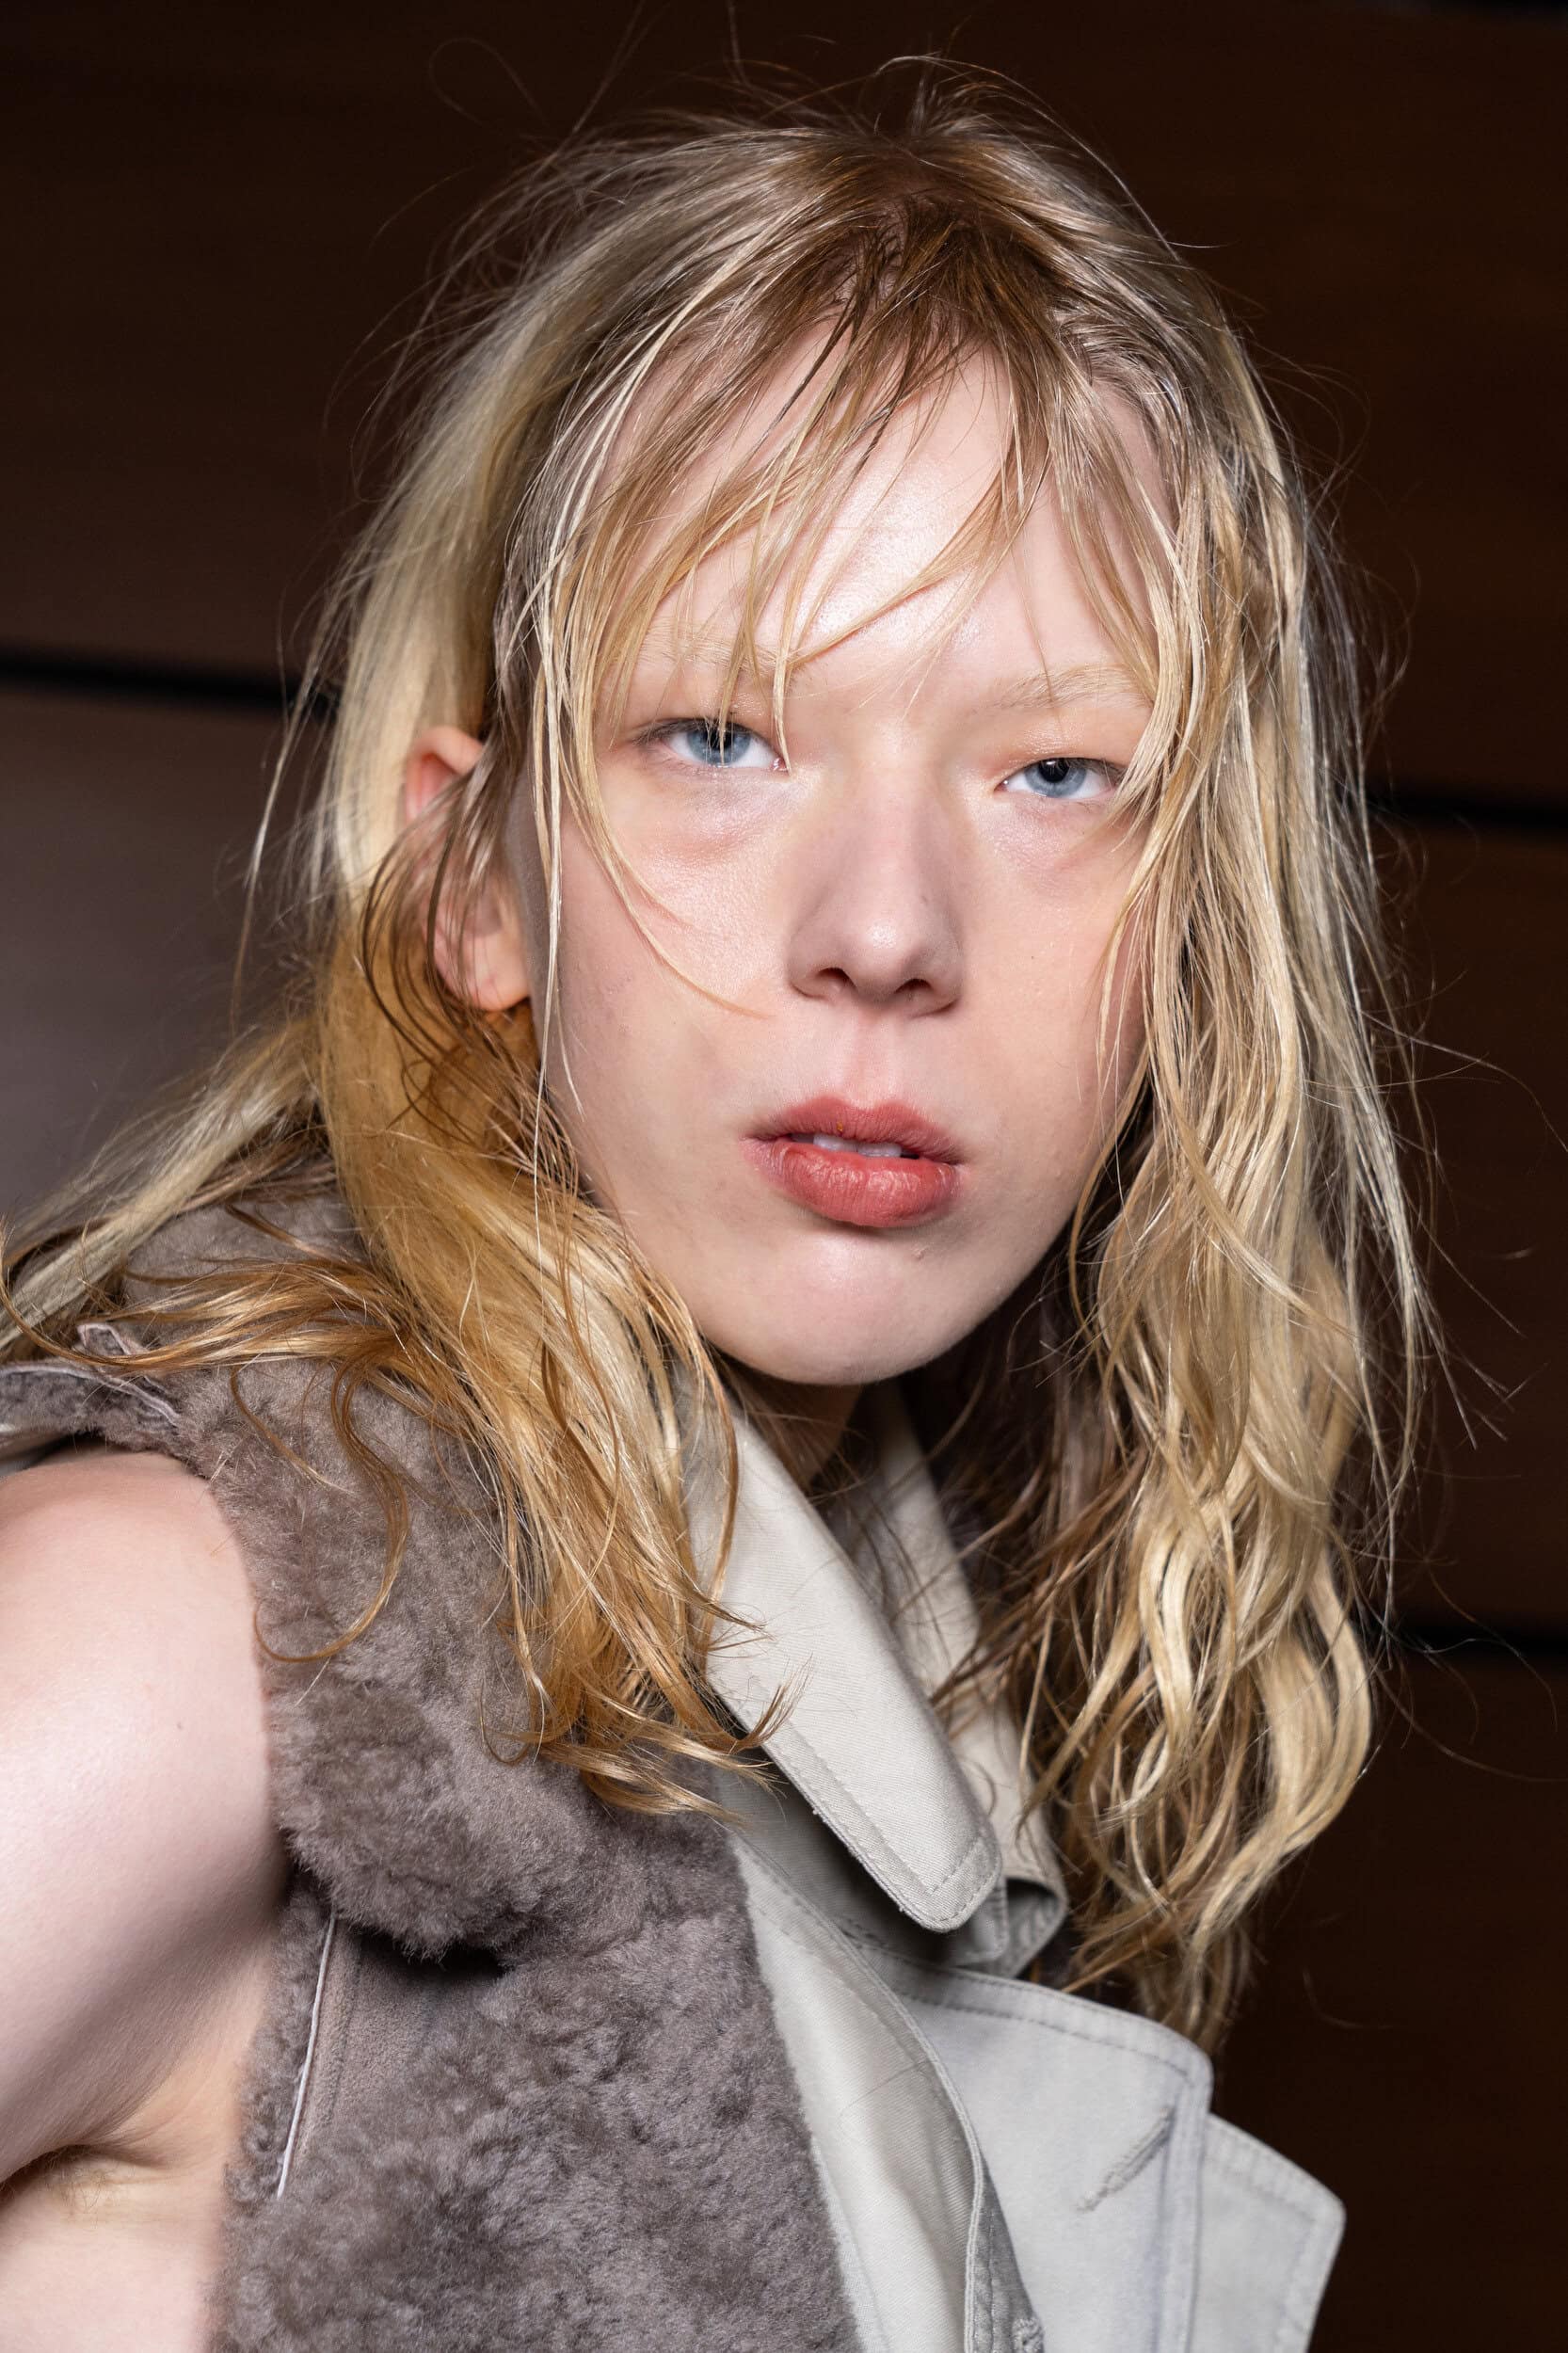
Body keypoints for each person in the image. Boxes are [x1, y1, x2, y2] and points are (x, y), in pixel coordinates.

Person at [0, 68, 1433, 2353]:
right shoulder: (195, 1630)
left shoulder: (852, 1714)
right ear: (473, 875)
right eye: (723, 737)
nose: (886, 927)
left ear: (1198, 934)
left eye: (1054, 771)